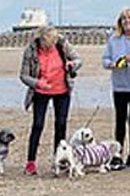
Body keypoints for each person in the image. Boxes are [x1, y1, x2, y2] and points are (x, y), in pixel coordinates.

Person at [20, 25, 83, 175]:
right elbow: (23, 75)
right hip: (41, 91)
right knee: (38, 125)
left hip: (62, 90)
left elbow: (78, 59)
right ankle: (31, 162)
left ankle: (59, 160)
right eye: (46, 45)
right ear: (40, 41)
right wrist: (37, 83)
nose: (50, 47)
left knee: (61, 124)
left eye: (52, 44)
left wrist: (73, 65)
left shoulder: (61, 44)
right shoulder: (31, 50)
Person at [102, 8, 130, 168]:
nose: (127, 21)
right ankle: (117, 154)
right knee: (120, 120)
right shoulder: (114, 39)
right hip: (119, 86)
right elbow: (105, 59)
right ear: (120, 22)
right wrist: (111, 64)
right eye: (124, 18)